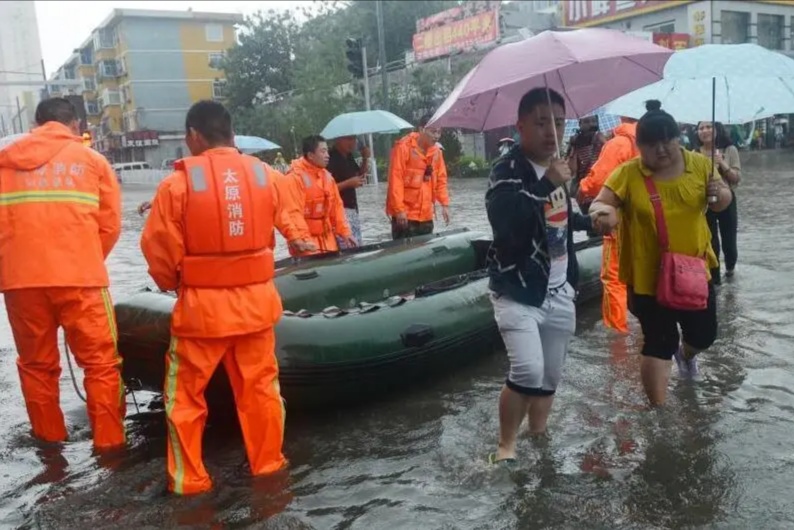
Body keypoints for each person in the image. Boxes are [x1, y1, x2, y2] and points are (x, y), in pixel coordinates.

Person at [140, 100, 315, 495]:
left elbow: (157, 250)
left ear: (193, 136)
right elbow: (296, 227)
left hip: (202, 314)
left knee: (184, 399)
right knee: (262, 392)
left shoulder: (176, 185)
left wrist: (172, 281)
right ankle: (268, 467)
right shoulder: (267, 175)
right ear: (231, 133)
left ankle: (191, 483)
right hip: (256, 309)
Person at [0, 97, 125, 449]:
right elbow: (110, 225)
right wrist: (84, 258)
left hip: (21, 284)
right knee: (100, 365)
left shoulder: (5, 164)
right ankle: (110, 447)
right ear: (74, 125)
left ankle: (50, 445)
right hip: (81, 280)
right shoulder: (92, 161)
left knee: (37, 367)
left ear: (36, 125)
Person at [589, 100, 733, 406]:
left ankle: (686, 355)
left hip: (694, 271)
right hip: (646, 275)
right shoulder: (628, 173)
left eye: (666, 142)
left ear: (677, 138)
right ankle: (659, 414)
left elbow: (722, 203)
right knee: (658, 341)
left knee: (704, 335)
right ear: (639, 146)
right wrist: (603, 214)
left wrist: (717, 192)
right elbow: (602, 202)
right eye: (651, 145)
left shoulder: (700, 165)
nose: (661, 150)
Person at [485, 88, 600, 464]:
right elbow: (506, 223)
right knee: (528, 369)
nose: (552, 131)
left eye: (559, 122)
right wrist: (547, 183)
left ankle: (538, 434)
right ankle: (506, 445)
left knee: (550, 374)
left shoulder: (558, 167)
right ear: (520, 127)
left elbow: (558, 222)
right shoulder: (507, 170)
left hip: (559, 287)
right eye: (541, 123)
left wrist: (591, 223)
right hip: (517, 289)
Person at [578, 117, 639, 334]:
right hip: (649, 223)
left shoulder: (618, 144)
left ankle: (618, 332)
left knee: (614, 277)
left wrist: (581, 187)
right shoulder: (654, 142)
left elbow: (597, 181)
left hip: (620, 221)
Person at [283, 135, 357, 256]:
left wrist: (345, 232)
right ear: (311, 155)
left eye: (327, 150)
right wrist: (304, 241)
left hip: (328, 237)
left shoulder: (327, 177)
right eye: (323, 151)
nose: (327, 155)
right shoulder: (294, 178)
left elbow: (337, 207)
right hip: (306, 240)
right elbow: (293, 213)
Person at [386, 114, 450, 240]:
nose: (436, 136)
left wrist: (444, 204)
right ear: (421, 130)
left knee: (425, 254)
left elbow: (441, 180)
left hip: (426, 215)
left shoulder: (437, 153)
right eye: (433, 132)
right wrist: (399, 210)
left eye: (439, 132)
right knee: (403, 254)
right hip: (405, 216)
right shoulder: (403, 148)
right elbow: (395, 180)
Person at [695, 121, 741, 284]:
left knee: (729, 241)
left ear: (717, 130)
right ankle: (714, 278)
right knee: (710, 241)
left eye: (709, 127)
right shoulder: (694, 154)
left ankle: (730, 270)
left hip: (727, 200)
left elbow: (736, 178)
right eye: (701, 128)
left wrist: (721, 163)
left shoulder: (730, 150)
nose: (705, 131)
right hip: (704, 202)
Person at [327, 136, 370, 246]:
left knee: (357, 245)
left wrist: (365, 158)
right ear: (338, 139)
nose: (353, 143)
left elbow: (359, 175)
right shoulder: (330, 159)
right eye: (349, 139)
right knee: (347, 248)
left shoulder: (348, 156)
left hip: (352, 209)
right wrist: (348, 183)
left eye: (354, 139)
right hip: (339, 211)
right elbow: (325, 190)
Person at [566, 115, 606, 201]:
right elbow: (572, 170)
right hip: (583, 192)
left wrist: (604, 142)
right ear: (580, 124)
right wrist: (573, 147)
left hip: (601, 191)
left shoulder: (602, 140)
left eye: (593, 121)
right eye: (587, 121)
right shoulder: (576, 142)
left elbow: (612, 158)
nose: (591, 124)